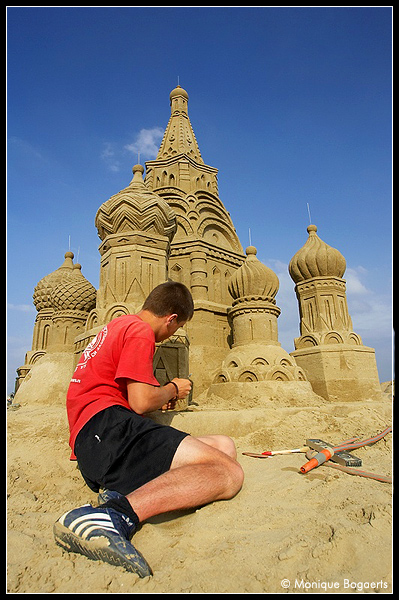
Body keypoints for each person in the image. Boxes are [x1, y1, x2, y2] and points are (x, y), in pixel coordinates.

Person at [53, 281, 244, 577]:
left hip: (99, 440)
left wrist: (158, 395)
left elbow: (132, 395)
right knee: (230, 474)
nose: (171, 335)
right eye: (176, 329)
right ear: (171, 318)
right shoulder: (141, 331)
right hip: (108, 430)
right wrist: (171, 389)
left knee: (223, 446)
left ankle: (118, 493)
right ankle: (114, 515)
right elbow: (140, 402)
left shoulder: (119, 325)